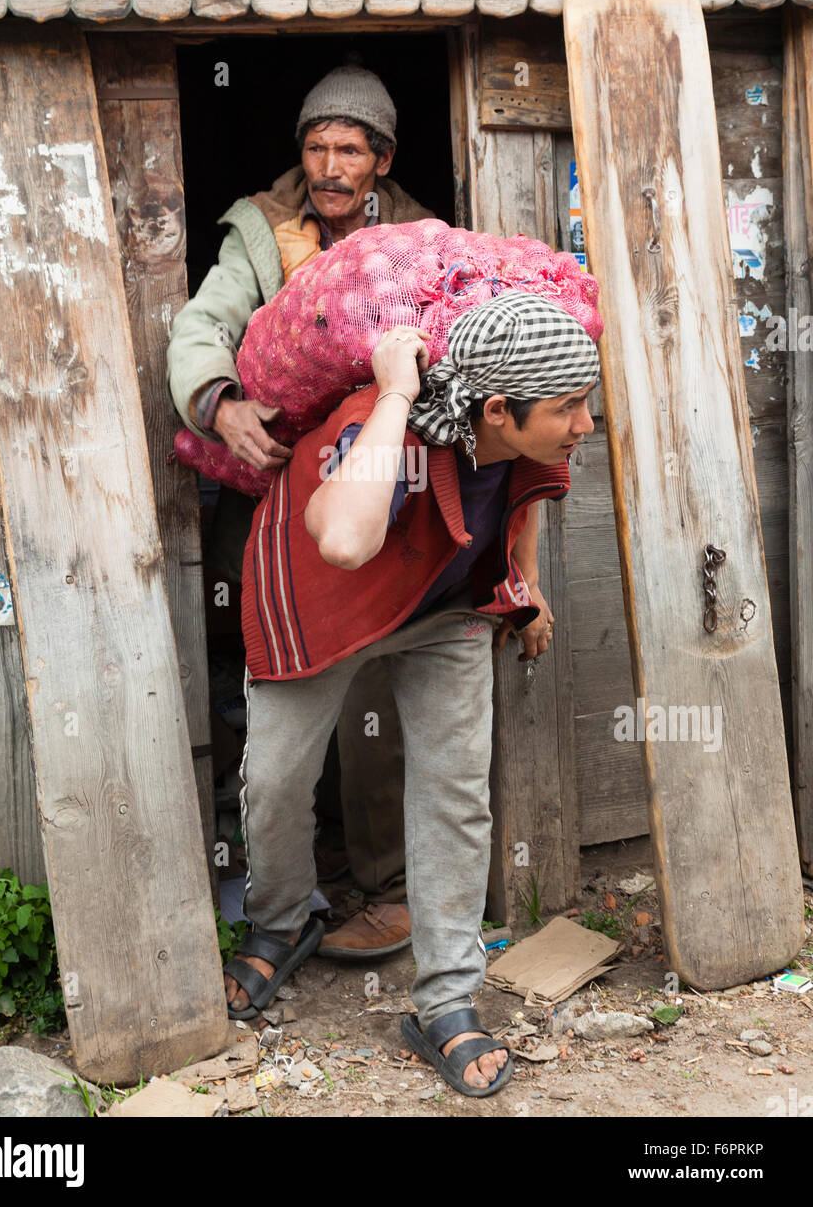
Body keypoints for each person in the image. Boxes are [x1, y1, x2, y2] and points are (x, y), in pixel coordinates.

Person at [223, 290, 600, 1097]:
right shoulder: (382, 429)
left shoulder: (527, 440)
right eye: (571, 407)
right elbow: (349, 538)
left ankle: (445, 999)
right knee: (278, 781)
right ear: (497, 408)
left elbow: (525, 497)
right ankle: (281, 924)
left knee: (455, 793)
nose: (585, 425)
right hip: (324, 598)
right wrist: (395, 389)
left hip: (447, 603)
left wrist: (522, 582)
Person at [166, 64, 433, 956]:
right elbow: (203, 324)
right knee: (271, 674)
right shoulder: (260, 226)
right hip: (278, 478)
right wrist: (221, 402)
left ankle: (385, 885)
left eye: (349, 149)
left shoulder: (419, 233)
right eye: (316, 147)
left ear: (381, 158)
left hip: (380, 478)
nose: (329, 165)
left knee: (373, 683)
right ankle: (278, 888)